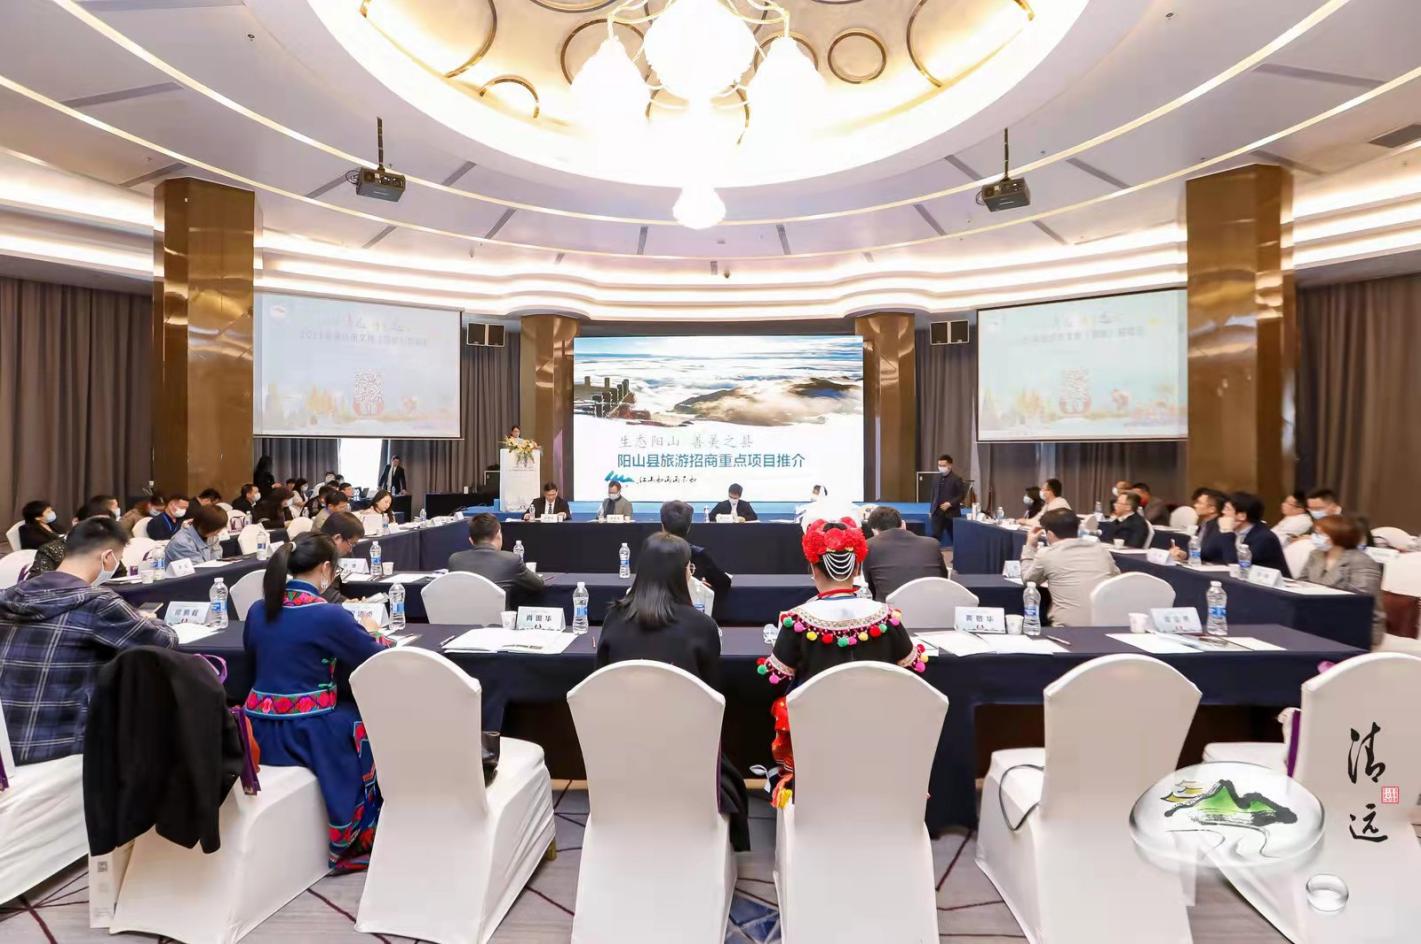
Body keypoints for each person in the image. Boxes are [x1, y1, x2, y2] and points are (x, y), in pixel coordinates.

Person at [242, 533, 388, 871]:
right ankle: (358, 830)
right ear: (325, 568)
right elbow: (375, 658)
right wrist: (373, 630)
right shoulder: (328, 615)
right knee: (363, 720)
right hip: (307, 733)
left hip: (256, 728)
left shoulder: (259, 609)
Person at [595, 531, 749, 850]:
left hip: (621, 753)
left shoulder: (613, 618)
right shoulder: (701, 626)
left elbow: (601, 684)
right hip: (689, 757)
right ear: (684, 573)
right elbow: (711, 699)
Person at [760, 519, 924, 805]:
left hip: (817, 737)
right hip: (878, 732)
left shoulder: (797, 620)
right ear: (857, 568)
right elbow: (912, 669)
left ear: (813, 568)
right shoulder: (887, 617)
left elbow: (775, 676)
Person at [0, 516, 177, 765]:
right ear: (108, 557)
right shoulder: (98, 603)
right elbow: (165, 641)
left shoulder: (9, 595)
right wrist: (149, 619)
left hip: (6, 748)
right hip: (60, 747)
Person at [1020, 508, 1121, 626]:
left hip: (1066, 628)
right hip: (1105, 626)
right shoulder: (1101, 550)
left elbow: (1028, 581)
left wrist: (1030, 546)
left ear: (1050, 534)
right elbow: (1117, 579)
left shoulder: (1047, 554)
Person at [1298, 515, 1386, 646]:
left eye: (1320, 534)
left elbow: (1363, 605)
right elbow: (1301, 583)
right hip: (1315, 618)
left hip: (1350, 626)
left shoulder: (1362, 561)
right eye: (1315, 533)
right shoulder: (1316, 554)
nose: (1314, 537)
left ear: (1338, 535)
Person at [447, 513, 545, 607]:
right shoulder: (511, 560)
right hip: (498, 618)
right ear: (499, 534)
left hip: (460, 617)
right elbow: (538, 585)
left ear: (471, 540)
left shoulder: (454, 560)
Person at [862, 505, 948, 601]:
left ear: (874, 530)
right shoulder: (932, 544)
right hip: (933, 604)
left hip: (890, 607)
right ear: (903, 524)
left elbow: (869, 585)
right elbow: (943, 579)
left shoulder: (869, 546)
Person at [1203, 491, 1291, 575]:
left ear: (1242, 516)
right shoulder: (1232, 531)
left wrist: (1227, 532)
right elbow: (1206, 554)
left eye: (1227, 509)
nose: (1223, 512)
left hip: (1270, 584)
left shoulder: (1265, 538)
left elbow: (1236, 565)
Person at [659, 500, 731, 598]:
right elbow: (724, 583)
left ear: (662, 525)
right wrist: (696, 584)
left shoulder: (650, 552)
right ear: (689, 527)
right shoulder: (698, 555)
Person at [318, 512, 367, 603]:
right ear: (337, 538)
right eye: (351, 544)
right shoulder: (315, 555)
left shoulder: (330, 552)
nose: (350, 550)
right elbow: (320, 590)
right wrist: (344, 602)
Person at [163, 504, 229, 566]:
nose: (217, 533)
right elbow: (199, 568)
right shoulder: (181, 542)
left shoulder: (211, 536)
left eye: (219, 530)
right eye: (216, 530)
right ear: (205, 527)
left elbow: (217, 561)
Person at [929, 453, 967, 542]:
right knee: (935, 536)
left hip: (951, 513)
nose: (941, 467)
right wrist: (931, 510)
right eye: (939, 465)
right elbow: (933, 494)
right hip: (937, 513)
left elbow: (961, 495)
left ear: (950, 465)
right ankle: (934, 551)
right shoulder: (936, 478)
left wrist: (950, 503)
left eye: (943, 465)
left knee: (955, 538)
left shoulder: (956, 479)